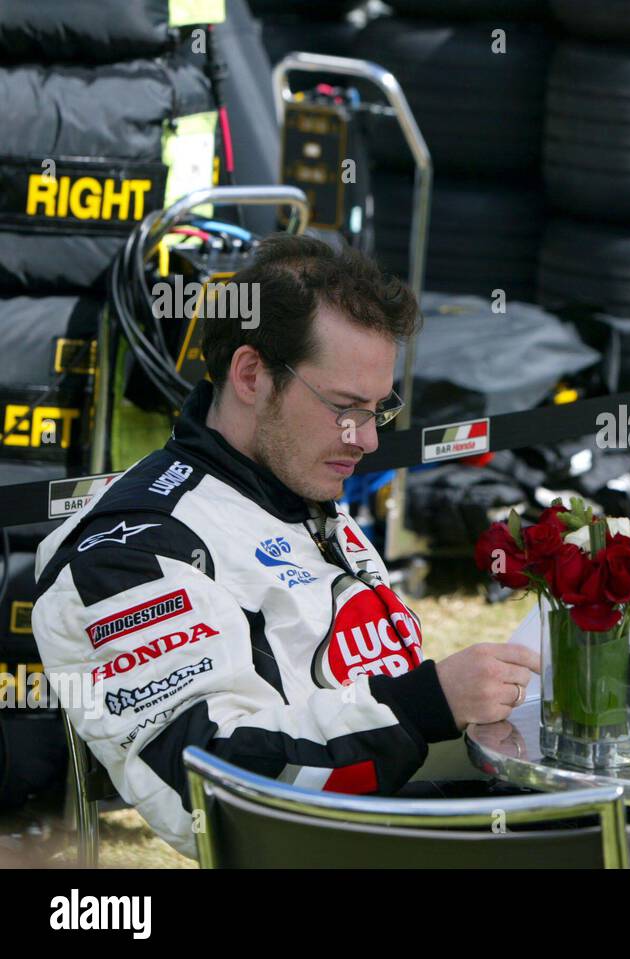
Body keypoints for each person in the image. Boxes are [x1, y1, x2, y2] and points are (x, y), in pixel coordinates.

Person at [30, 235, 541, 859]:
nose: (368, 440)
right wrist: (425, 703)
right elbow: (211, 784)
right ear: (251, 375)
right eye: (346, 407)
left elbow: (367, 708)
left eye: (379, 410)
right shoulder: (132, 551)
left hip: (407, 829)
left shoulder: (299, 493)